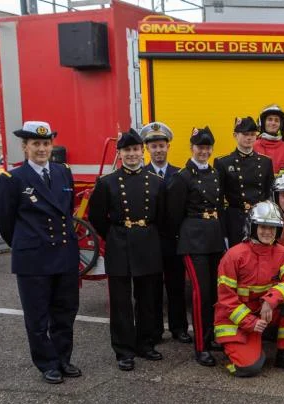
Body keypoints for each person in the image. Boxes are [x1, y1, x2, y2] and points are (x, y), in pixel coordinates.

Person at [0, 121, 81, 384]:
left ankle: (63, 358)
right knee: (37, 316)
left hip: (64, 254)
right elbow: (6, 222)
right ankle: (47, 363)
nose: (42, 148)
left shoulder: (62, 171)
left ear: (51, 145)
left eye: (46, 143)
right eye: (36, 144)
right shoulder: (13, 179)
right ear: (25, 147)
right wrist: (26, 243)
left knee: (65, 312)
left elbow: (66, 211)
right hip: (34, 257)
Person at [88, 129, 165, 371]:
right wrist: (113, 235)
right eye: (127, 150)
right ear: (119, 153)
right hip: (120, 243)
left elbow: (163, 217)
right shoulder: (106, 183)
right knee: (121, 302)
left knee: (147, 299)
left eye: (135, 150)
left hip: (147, 242)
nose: (132, 154)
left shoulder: (156, 182)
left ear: (142, 152)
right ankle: (123, 350)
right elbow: (97, 217)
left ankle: (145, 343)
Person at [213, 201, 284, 377]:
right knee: (249, 368)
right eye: (263, 226)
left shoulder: (280, 252)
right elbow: (226, 300)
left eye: (272, 228)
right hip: (237, 320)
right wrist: (251, 323)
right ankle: (235, 348)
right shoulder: (234, 256)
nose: (268, 232)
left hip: (264, 313)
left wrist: (271, 300)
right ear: (252, 227)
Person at [166, 126, 226, 366]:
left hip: (213, 237)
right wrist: (181, 240)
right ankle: (201, 346)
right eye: (200, 147)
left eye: (208, 147)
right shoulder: (182, 177)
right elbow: (173, 214)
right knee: (200, 293)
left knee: (214, 292)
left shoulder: (213, 174)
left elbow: (219, 207)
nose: (204, 151)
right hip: (193, 239)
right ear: (192, 148)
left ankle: (210, 337)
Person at [140, 122, 191, 344]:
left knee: (176, 286)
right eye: (153, 146)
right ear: (147, 149)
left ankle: (179, 328)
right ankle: (154, 330)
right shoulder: (141, 175)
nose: (158, 150)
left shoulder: (179, 174)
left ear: (168, 146)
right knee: (151, 289)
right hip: (150, 241)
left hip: (173, 240)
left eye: (161, 145)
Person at [214, 116, 274, 245]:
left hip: (260, 219)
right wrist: (223, 231)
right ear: (235, 135)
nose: (249, 138)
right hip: (235, 219)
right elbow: (218, 200)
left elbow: (270, 194)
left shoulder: (265, 162)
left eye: (252, 134)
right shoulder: (223, 162)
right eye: (245, 134)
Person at [254, 104, 284, 175]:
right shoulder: (252, 147)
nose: (273, 123)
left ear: (281, 125)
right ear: (263, 123)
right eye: (270, 119)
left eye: (276, 120)